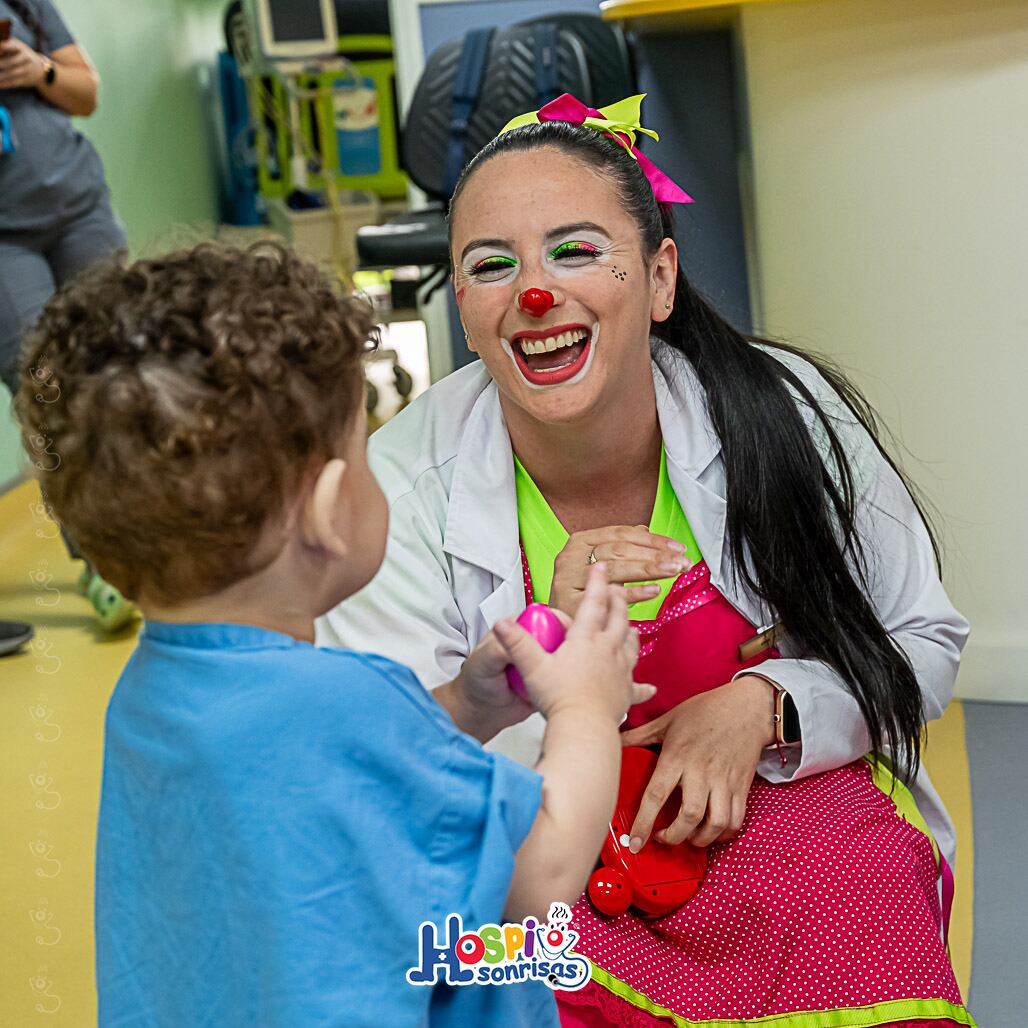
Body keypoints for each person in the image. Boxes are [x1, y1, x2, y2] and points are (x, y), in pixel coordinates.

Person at [319, 94, 974, 1027]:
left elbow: (922, 640)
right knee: (462, 970)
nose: (534, 293)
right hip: (538, 855)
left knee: (857, 896)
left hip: (771, 820)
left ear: (660, 279)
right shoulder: (400, 486)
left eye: (577, 250)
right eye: (490, 266)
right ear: (462, 309)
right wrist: (544, 661)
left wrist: (769, 703)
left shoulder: (783, 414)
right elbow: (391, 774)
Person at [14, 242, 652, 1026]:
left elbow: (335, 778)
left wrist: (465, 704)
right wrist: (587, 705)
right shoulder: (347, 700)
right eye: (364, 449)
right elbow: (542, 875)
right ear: (324, 511)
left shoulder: (149, 696)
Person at [0, 0, 132, 640]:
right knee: (46, 391)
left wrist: (36, 70)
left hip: (78, 208)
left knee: (120, 373)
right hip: (4, 238)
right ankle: (102, 562)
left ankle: (160, 537)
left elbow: (85, 92)